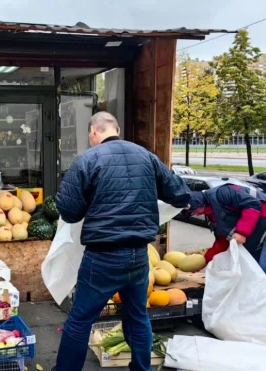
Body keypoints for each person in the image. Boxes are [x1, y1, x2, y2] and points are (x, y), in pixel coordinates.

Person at [53, 112, 191, 371]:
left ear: (94, 131)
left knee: (80, 320)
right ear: (116, 129)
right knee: (137, 317)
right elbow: (180, 194)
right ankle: (142, 368)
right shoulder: (147, 157)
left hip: (102, 257)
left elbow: (69, 211)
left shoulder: (87, 160)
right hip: (139, 256)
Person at [187, 184, 266, 298]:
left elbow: (253, 204)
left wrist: (242, 232)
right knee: (253, 268)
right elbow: (222, 242)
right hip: (262, 229)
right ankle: (260, 303)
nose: (196, 214)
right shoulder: (212, 214)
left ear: (199, 203)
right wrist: (205, 260)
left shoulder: (223, 193)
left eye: (194, 210)